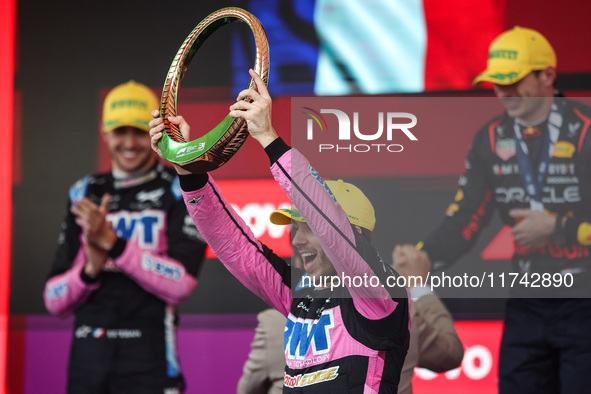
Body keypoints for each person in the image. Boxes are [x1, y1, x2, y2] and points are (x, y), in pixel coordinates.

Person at [149, 69, 410, 393]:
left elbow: (332, 226)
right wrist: (188, 170)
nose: (297, 241)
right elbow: (235, 244)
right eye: (294, 230)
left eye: (308, 229)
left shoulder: (381, 295)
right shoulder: (297, 294)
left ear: (354, 234)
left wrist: (268, 137)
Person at [395, 26, 591, 393]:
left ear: (547, 75)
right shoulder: (490, 138)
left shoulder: (585, 130)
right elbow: (466, 219)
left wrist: (559, 227)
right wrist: (421, 258)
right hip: (528, 302)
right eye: (496, 83)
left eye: (513, 81)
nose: (503, 92)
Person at [44, 80, 207, 394]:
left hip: (151, 361)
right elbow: (53, 300)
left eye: (139, 131)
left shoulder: (177, 188)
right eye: (120, 131)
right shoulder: (85, 192)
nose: (130, 143)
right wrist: (89, 269)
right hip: (87, 364)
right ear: (105, 132)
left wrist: (115, 246)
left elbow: (181, 283)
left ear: (155, 132)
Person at [237, 244, 463, 394]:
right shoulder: (399, 311)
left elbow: (247, 390)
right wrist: (416, 286)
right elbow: (450, 353)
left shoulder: (272, 321)